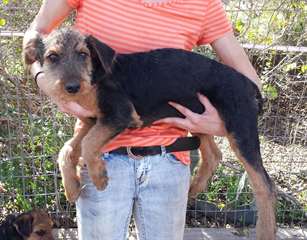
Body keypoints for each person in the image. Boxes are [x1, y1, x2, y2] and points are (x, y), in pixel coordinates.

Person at [23, 0, 261, 239]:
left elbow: (251, 87)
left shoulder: (204, 4)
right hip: (101, 155)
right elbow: (38, 31)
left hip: (168, 160)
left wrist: (218, 124)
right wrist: (43, 80)